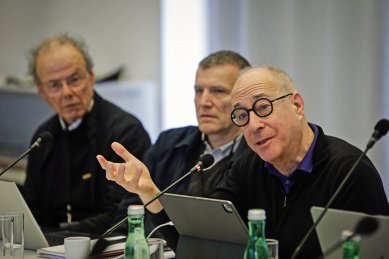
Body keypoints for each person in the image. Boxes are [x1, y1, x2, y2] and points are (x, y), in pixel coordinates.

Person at [97, 66, 389, 258]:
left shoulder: (350, 171)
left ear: (297, 105)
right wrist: (150, 193)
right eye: (242, 115)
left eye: (263, 107)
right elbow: (200, 245)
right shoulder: (248, 167)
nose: (254, 124)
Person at [115, 50, 251, 245]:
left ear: (243, 100)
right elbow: (126, 220)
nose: (204, 102)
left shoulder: (259, 156)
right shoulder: (168, 144)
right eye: (198, 91)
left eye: (218, 91)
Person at [23, 34, 151, 235]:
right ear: (42, 91)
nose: (67, 92)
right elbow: (31, 210)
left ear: (90, 77)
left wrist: (57, 237)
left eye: (74, 80)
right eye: (54, 85)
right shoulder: (43, 137)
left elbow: (122, 216)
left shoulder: (125, 132)